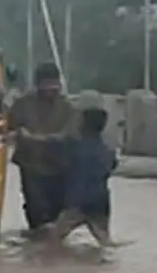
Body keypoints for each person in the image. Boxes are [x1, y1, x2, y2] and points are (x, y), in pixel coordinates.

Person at [6, 62, 77, 233]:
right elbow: (10, 128)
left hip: (59, 167)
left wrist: (37, 138)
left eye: (55, 84)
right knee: (36, 210)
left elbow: (71, 134)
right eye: (47, 84)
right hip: (32, 166)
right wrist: (17, 133)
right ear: (38, 84)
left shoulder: (67, 107)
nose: (52, 88)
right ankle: (38, 247)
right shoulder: (23, 105)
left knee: (58, 212)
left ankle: (50, 249)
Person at [46, 90, 117, 248]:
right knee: (105, 243)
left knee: (53, 241)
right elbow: (111, 167)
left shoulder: (73, 145)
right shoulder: (107, 148)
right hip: (100, 203)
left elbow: (59, 162)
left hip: (76, 204)